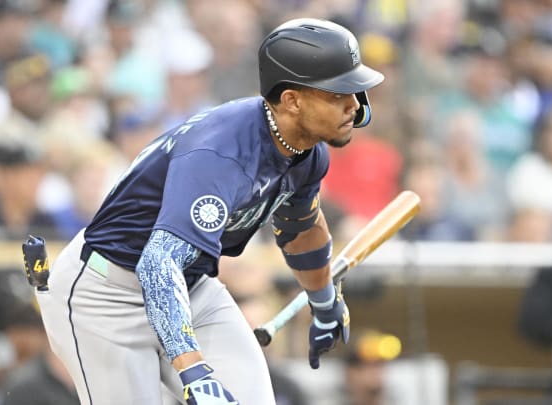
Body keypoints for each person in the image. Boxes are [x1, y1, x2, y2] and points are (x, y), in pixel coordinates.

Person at [34, 18, 385, 405]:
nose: (354, 104)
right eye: (338, 93)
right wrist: (194, 370)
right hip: (106, 294)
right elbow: (157, 265)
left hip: (189, 284)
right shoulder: (222, 155)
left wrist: (322, 298)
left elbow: (299, 227)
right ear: (292, 100)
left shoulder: (307, 150)